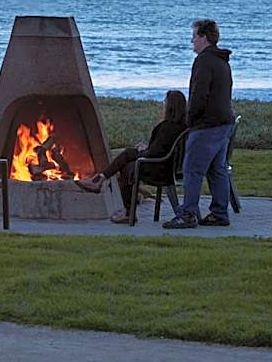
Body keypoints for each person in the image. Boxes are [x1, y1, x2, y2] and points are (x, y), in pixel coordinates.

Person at [163, 19, 236, 229]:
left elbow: (198, 94)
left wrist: (190, 120)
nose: (192, 41)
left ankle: (188, 213)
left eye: (194, 37)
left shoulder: (203, 61)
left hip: (207, 125)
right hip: (223, 122)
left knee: (192, 169)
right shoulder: (222, 61)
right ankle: (219, 213)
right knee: (217, 168)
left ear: (204, 37)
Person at [75, 90, 187, 223]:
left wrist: (142, 151)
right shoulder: (182, 127)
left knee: (127, 165)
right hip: (166, 167)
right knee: (128, 156)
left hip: (156, 168)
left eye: (165, 103)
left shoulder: (165, 127)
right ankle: (101, 180)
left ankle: (124, 208)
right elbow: (161, 149)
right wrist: (145, 149)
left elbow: (154, 153)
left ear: (170, 107)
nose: (163, 105)